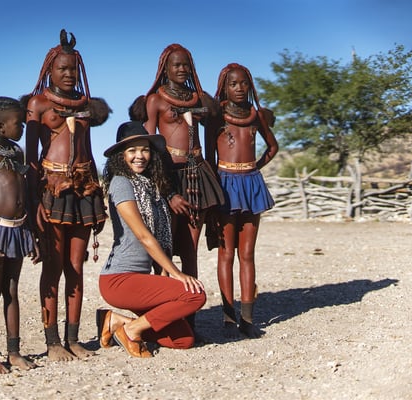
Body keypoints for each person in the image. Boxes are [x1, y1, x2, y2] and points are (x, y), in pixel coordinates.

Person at [24, 29, 110, 361]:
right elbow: (31, 159)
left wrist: (98, 197)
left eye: (73, 69)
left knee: (76, 266)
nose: (69, 74)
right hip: (52, 190)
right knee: (53, 266)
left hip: (84, 188)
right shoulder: (39, 103)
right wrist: (33, 203)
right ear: (49, 70)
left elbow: (88, 149)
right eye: (62, 69)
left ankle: (74, 339)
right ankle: (52, 342)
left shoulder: (86, 105)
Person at [129, 44, 224, 329]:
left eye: (186, 65)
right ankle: (159, 322)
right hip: (167, 175)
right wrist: (166, 191)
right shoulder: (155, 100)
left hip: (197, 176)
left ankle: (189, 323)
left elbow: (211, 138)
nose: (181, 69)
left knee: (191, 252)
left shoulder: (201, 100)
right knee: (163, 251)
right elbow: (147, 147)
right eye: (176, 65)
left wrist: (212, 168)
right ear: (165, 69)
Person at [97, 121, 206, 358]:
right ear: (120, 155)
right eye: (132, 151)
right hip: (119, 279)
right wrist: (176, 272)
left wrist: (163, 272)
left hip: (140, 279)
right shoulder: (121, 183)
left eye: (145, 149)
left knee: (183, 340)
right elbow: (144, 237)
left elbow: (159, 235)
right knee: (195, 295)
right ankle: (132, 330)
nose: (140, 156)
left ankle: (115, 321)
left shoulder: (151, 186)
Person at [204, 63, 279, 339]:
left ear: (250, 86)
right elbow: (209, 156)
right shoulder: (216, 116)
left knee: (247, 254)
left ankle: (248, 318)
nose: (239, 89)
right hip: (224, 184)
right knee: (226, 253)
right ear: (225, 87)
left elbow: (273, 147)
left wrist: (255, 167)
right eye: (233, 84)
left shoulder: (256, 115)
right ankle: (227, 317)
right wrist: (214, 188)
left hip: (250, 183)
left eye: (244, 84)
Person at [0, 96, 40, 373]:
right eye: (19, 124)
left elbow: (24, 193)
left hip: (19, 228)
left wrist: (32, 234)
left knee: (12, 290)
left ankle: (14, 351)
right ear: (1, 127)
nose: (23, 127)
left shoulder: (18, 154)